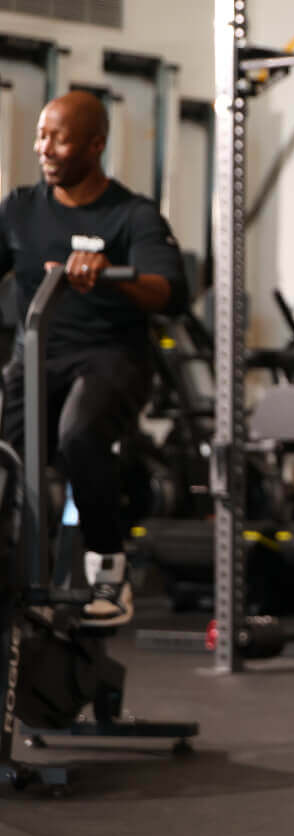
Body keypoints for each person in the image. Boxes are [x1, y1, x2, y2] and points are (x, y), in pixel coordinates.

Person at [0, 90, 188, 627]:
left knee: (78, 436)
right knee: (5, 461)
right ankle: (13, 570)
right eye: (41, 135)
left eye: (59, 137)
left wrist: (108, 272)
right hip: (35, 357)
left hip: (110, 359)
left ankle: (109, 571)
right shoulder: (20, 209)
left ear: (95, 144)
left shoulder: (131, 215)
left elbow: (169, 291)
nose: (44, 147)